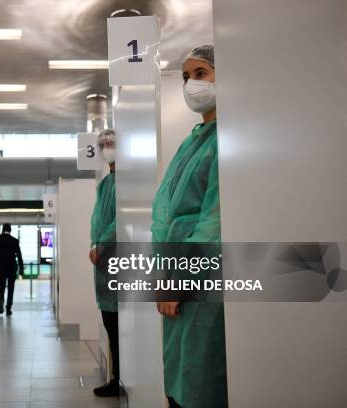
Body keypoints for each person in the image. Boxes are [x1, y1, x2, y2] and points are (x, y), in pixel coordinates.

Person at [151, 45, 227, 408]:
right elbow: (165, 213)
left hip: (202, 279)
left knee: (200, 382)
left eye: (200, 74)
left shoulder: (227, 140)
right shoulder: (193, 140)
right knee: (178, 379)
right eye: (185, 77)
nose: (190, 85)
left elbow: (215, 221)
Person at [89, 129, 120, 398]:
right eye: (104, 144)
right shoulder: (104, 184)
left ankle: (121, 378)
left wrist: (102, 243)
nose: (107, 147)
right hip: (103, 265)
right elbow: (99, 222)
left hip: (119, 262)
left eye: (112, 143)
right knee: (112, 326)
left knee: (122, 328)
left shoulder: (126, 181)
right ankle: (117, 378)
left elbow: (121, 219)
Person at [0, 223, 24, 315]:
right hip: (12, 267)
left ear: (2, 229)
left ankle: (1, 300)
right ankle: (8, 308)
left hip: (1, 267)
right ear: (10, 230)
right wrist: (21, 268)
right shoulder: (15, 241)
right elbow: (19, 255)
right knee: (11, 288)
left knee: (1, 285)